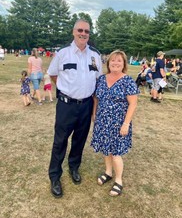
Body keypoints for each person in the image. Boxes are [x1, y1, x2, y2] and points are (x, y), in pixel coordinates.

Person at [47, 19, 102, 198]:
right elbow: (53, 74)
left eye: (86, 31)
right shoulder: (63, 53)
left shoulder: (95, 55)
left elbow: (98, 80)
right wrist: (66, 89)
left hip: (86, 105)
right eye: (80, 30)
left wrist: (94, 107)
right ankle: (55, 176)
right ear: (73, 31)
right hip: (66, 105)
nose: (83, 34)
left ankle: (74, 167)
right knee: (60, 141)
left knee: (80, 139)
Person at [91, 50, 139, 197]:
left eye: (119, 61)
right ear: (108, 62)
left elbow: (133, 104)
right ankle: (108, 172)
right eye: (113, 60)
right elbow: (96, 99)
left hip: (119, 123)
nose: (115, 63)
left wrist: (126, 124)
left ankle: (118, 180)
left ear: (124, 63)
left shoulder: (128, 81)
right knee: (106, 150)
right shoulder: (101, 79)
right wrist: (94, 113)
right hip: (102, 121)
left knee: (116, 153)